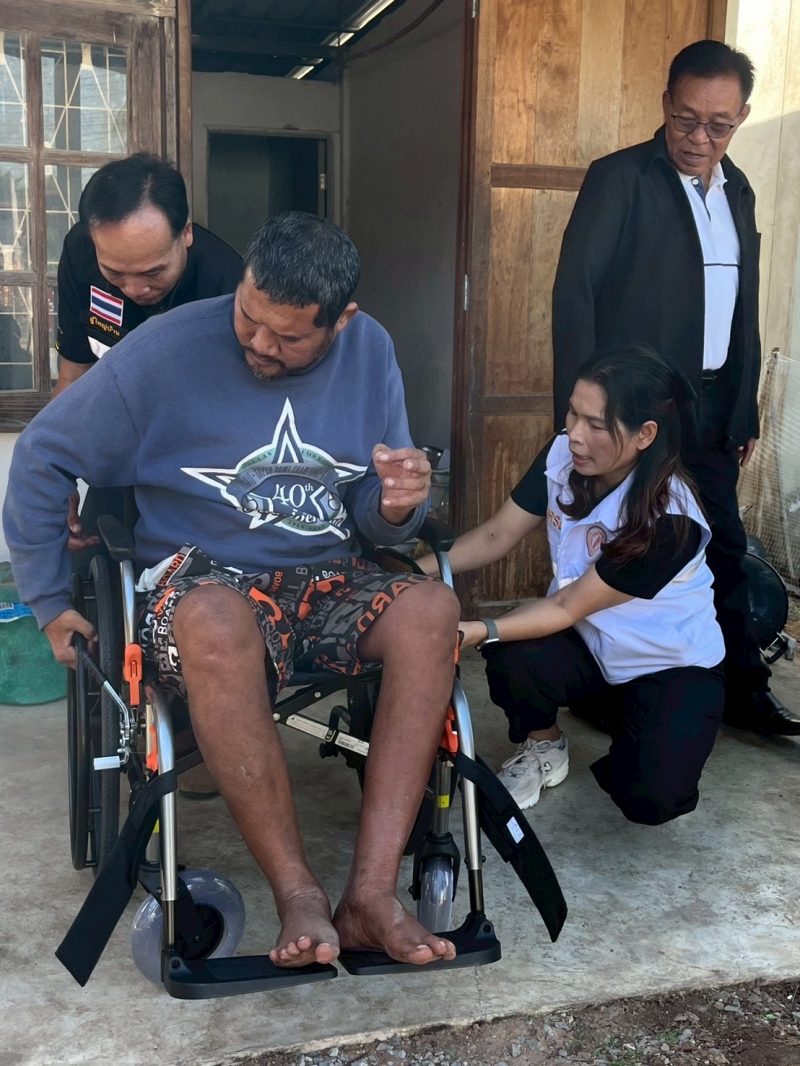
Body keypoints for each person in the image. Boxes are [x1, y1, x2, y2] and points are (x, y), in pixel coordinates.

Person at [4, 211, 461, 968]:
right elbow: (44, 451)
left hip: (323, 576)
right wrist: (50, 601)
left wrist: (395, 504)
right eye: (250, 318)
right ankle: (299, 896)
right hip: (198, 579)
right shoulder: (166, 349)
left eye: (289, 337)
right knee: (216, 618)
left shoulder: (371, 350)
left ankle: (371, 896)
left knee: (433, 610)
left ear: (342, 320)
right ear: (242, 281)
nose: (260, 344)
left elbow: (373, 515)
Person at [551, 40, 800, 737]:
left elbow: (742, 306)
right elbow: (575, 294)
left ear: (740, 117)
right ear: (665, 103)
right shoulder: (620, 178)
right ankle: (598, 691)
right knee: (620, 547)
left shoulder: (738, 188)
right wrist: (584, 418)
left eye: (718, 125)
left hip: (713, 408)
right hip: (636, 410)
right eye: (686, 119)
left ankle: (743, 691)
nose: (698, 138)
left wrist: (745, 406)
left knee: (722, 548)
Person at [421, 346, 725, 826]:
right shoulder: (563, 454)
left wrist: (472, 630)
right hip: (588, 642)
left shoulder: (671, 518)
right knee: (513, 649)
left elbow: (565, 606)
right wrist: (415, 570)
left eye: (596, 424)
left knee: (651, 799)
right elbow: (497, 535)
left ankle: (638, 725)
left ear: (646, 434)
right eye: (572, 413)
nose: (575, 434)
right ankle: (545, 744)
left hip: (665, 663)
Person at [54, 153, 243, 562]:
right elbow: (73, 377)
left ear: (185, 233)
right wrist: (56, 477)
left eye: (154, 273)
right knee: (87, 564)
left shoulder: (229, 287)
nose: (135, 289)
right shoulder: (80, 253)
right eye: (115, 273)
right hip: (116, 449)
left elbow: (243, 419)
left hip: (201, 467)